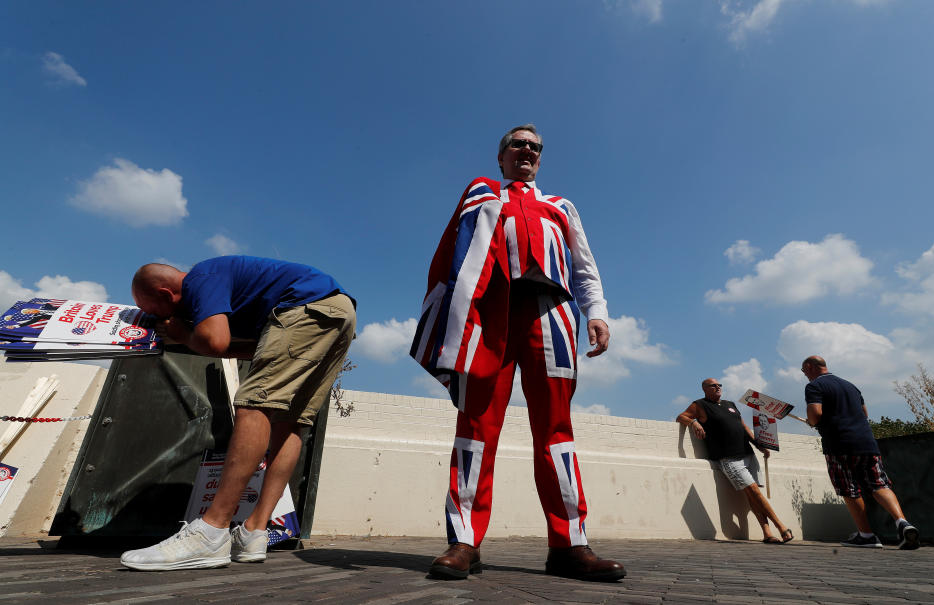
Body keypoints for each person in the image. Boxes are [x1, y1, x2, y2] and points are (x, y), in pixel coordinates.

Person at [410, 124, 625, 581]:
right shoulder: (483, 193)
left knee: (557, 430)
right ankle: (464, 539)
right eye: (517, 144)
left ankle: (570, 544)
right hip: (486, 315)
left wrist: (597, 313)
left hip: (550, 315)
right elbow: (456, 254)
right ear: (502, 156)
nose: (526, 150)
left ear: (540, 159)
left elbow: (584, 266)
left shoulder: (560, 206)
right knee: (475, 425)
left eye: (534, 146)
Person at [120, 256, 356, 570]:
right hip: (336, 313)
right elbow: (252, 348)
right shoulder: (231, 287)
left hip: (306, 309)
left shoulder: (201, 277)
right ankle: (254, 532)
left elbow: (215, 341)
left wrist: (182, 333)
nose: (155, 319)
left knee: (253, 404)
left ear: (166, 294)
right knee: (291, 421)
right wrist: (193, 338)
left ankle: (212, 531)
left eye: (152, 311)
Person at [801, 355, 920, 549]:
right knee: (879, 484)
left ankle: (866, 535)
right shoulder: (851, 386)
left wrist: (812, 422)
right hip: (867, 443)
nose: (805, 375)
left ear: (809, 367)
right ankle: (902, 522)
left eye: (804, 371)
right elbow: (864, 414)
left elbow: (815, 414)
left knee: (848, 488)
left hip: (839, 445)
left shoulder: (814, 386)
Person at [677, 378, 794, 544]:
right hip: (728, 458)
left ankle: (767, 533)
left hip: (747, 453)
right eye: (713, 385)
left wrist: (759, 445)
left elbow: (743, 427)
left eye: (719, 385)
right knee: (754, 492)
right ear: (705, 389)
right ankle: (781, 526)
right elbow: (681, 416)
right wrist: (694, 422)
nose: (718, 387)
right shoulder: (699, 405)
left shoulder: (730, 404)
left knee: (754, 496)